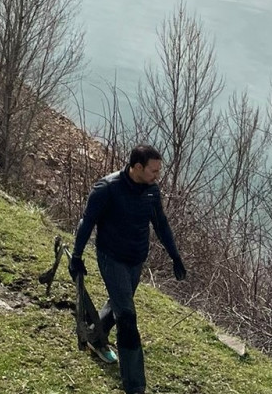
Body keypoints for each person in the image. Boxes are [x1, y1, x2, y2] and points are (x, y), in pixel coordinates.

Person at [69, 145, 187, 394]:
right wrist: (77, 256)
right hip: (111, 257)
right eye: (153, 171)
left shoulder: (152, 191)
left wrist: (175, 256)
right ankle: (135, 386)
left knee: (119, 304)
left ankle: (94, 336)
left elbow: (161, 224)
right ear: (136, 168)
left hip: (136, 259)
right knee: (128, 319)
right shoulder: (107, 188)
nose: (157, 176)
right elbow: (86, 221)